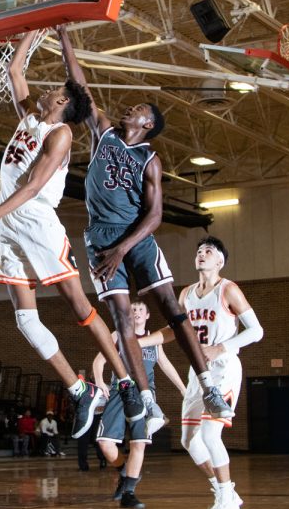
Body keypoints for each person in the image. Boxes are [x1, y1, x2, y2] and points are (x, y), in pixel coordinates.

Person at [0, 28, 149, 440]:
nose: (44, 89)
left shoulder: (61, 134)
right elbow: (15, 70)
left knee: (77, 304)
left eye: (54, 89)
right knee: (25, 320)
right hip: (10, 225)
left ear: (61, 102)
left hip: (37, 221)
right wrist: (31, 33)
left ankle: (126, 384)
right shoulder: (30, 118)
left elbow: (33, 186)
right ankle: (79, 390)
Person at [56, 25, 235, 434]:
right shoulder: (103, 133)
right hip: (100, 238)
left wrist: (123, 249)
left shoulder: (150, 160)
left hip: (136, 238)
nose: (129, 109)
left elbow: (155, 216)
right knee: (122, 320)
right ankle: (147, 399)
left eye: (138, 109)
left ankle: (208, 385)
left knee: (172, 310)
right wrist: (64, 38)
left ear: (148, 123)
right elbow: (80, 85)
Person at [140, 237, 263, 509]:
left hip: (223, 369)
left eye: (209, 251)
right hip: (198, 373)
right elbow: (174, 332)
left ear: (220, 261)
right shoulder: (186, 295)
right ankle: (226, 493)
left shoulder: (228, 289)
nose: (202, 254)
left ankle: (226, 502)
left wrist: (221, 348)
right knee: (188, 440)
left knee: (210, 435)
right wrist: (139, 341)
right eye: (199, 251)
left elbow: (256, 331)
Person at [92, 300, 186, 509]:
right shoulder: (117, 335)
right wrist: (99, 381)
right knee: (105, 444)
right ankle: (126, 472)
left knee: (138, 442)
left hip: (144, 393)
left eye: (140, 309)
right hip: (120, 390)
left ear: (147, 315)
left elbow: (166, 366)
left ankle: (129, 492)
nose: (136, 312)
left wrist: (183, 388)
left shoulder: (154, 340)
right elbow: (99, 361)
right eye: (132, 309)